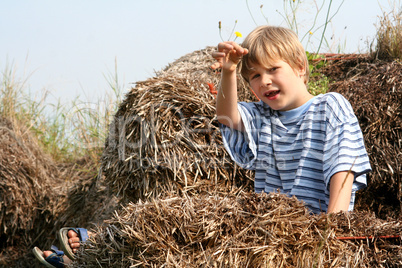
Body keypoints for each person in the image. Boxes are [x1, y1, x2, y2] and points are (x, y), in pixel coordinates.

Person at [211, 25, 371, 214]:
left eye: (273, 69)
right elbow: (227, 117)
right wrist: (229, 71)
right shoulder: (262, 116)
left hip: (319, 227)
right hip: (273, 229)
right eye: (255, 75)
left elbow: (343, 167)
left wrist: (333, 226)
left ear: (299, 66)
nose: (264, 81)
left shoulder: (329, 107)